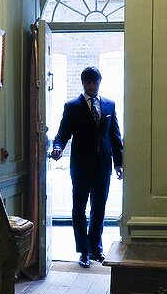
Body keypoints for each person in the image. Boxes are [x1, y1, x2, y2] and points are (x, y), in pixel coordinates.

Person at [50, 66, 123, 267]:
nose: (92, 85)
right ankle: (83, 251)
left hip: (103, 166)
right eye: (88, 82)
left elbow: (115, 135)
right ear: (83, 83)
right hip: (81, 165)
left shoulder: (109, 105)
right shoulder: (73, 106)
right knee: (78, 208)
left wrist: (119, 163)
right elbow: (63, 133)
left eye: (95, 82)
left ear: (100, 82)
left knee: (99, 208)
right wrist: (57, 148)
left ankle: (95, 248)